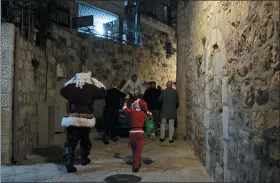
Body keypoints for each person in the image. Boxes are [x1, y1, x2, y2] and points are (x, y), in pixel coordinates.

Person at [60, 69, 106, 173]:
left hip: (72, 116)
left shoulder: (71, 87)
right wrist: (97, 83)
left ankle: (68, 159)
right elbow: (103, 93)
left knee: (71, 139)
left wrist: (72, 81)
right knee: (85, 138)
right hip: (86, 117)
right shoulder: (92, 88)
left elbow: (62, 91)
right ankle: (84, 158)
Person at [122, 94, 153, 172]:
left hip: (132, 133)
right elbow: (150, 117)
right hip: (140, 133)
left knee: (133, 149)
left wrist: (126, 100)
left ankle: (136, 163)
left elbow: (124, 108)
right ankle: (136, 164)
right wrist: (147, 111)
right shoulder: (143, 113)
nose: (134, 102)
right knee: (138, 150)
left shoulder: (131, 112)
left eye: (135, 102)